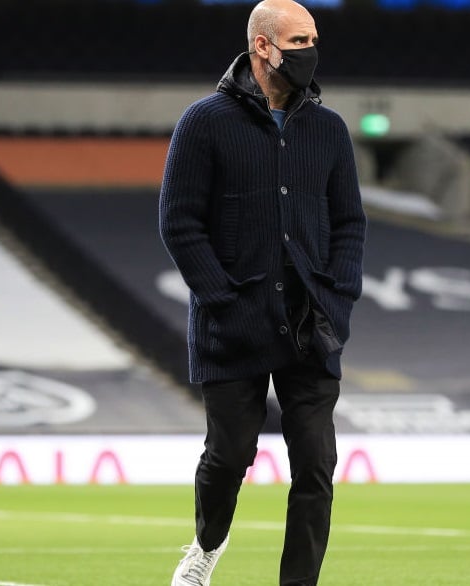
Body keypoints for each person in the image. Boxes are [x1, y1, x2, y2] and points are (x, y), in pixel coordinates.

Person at [158, 0, 366, 584]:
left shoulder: (328, 129)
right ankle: (205, 546)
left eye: (314, 38)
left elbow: (349, 222)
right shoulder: (205, 122)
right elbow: (179, 222)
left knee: (317, 466)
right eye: (298, 40)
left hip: (311, 324)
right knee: (229, 458)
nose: (310, 50)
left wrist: (339, 296)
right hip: (233, 324)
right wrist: (221, 301)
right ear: (262, 47)